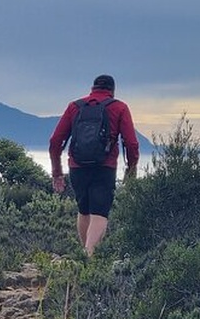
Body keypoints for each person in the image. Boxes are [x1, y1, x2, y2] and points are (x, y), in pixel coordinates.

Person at [49, 74, 140, 257]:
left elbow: (55, 141)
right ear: (112, 91)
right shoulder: (119, 107)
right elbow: (131, 144)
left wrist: (57, 173)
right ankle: (89, 256)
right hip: (104, 167)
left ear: (92, 88)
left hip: (77, 167)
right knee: (100, 212)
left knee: (84, 210)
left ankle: (86, 256)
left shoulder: (74, 107)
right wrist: (131, 170)